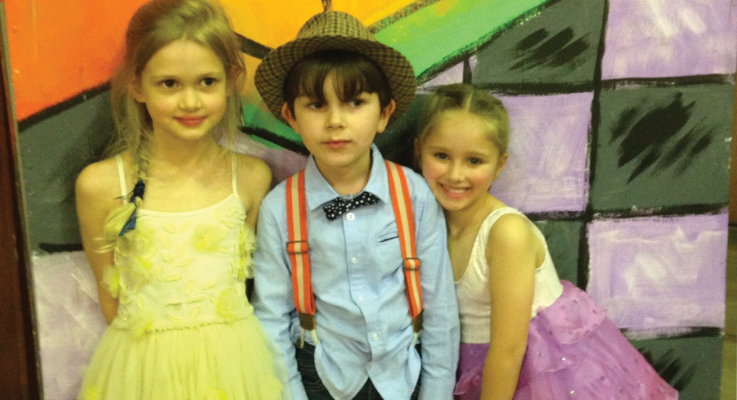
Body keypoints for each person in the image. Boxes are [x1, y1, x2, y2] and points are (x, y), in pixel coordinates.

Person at [74, 0, 288, 398]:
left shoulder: (252, 179)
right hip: (142, 373)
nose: (190, 102)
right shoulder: (100, 186)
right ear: (137, 84)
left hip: (235, 370)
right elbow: (111, 298)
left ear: (231, 80)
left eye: (206, 82)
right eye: (169, 84)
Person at [415, 84, 679, 400]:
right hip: (475, 362)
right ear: (419, 151)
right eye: (441, 156)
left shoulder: (506, 233)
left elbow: (509, 349)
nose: (455, 175)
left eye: (474, 161)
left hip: (538, 370)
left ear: (499, 165)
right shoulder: (427, 224)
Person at [251, 10, 460, 400]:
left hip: (403, 374)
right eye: (316, 105)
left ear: (384, 114)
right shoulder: (280, 208)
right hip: (322, 375)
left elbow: (440, 309)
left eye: (355, 102)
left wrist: (436, 392)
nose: (335, 121)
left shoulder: (414, 195)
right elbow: (271, 317)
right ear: (291, 116)